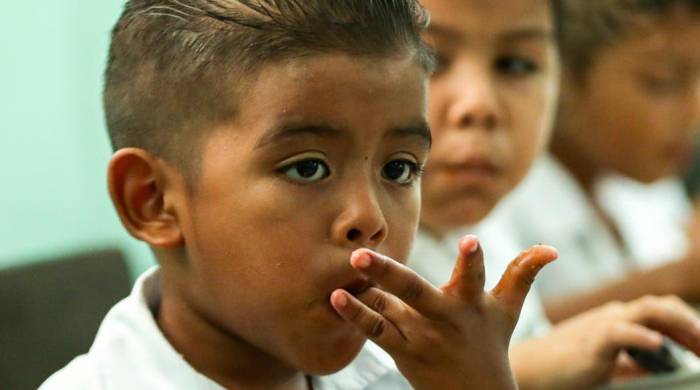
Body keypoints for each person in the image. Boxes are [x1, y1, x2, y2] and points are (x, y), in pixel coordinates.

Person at [39, 1, 558, 389]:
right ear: (151, 201)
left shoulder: (408, 375)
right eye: (307, 168)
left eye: (399, 168)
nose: (370, 219)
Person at [410, 0, 700, 388]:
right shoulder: (357, 254)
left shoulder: (487, 231)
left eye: (515, 65)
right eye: (433, 59)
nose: (478, 105)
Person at [479, 0, 700, 323]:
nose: (694, 113)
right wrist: (676, 281)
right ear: (562, 77)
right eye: (661, 81)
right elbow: (494, 340)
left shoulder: (649, 195)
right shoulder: (499, 202)